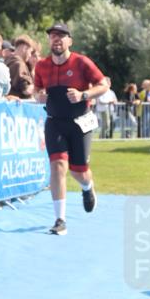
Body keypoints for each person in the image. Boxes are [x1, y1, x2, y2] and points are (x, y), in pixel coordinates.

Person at [33, 23, 108, 235]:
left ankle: (87, 187)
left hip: (79, 122)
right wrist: (38, 95)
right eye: (53, 36)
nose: (56, 39)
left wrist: (83, 95)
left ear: (70, 41)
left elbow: (103, 85)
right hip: (54, 121)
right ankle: (60, 219)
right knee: (57, 166)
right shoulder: (42, 66)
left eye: (61, 36)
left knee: (79, 171)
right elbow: (37, 89)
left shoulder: (82, 62)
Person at [7, 35, 35, 99]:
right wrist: (38, 86)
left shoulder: (8, 61)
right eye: (30, 52)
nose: (30, 55)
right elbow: (26, 90)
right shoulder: (19, 64)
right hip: (18, 105)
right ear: (24, 49)